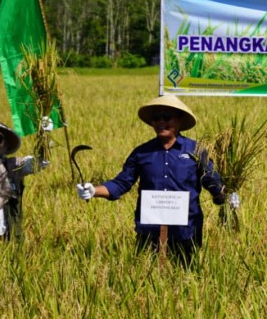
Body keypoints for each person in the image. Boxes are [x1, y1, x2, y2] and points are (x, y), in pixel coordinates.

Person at [75, 95, 237, 267]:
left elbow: (213, 182)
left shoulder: (196, 150)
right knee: (147, 276)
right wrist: (94, 191)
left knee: (187, 278)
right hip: (149, 231)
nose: (161, 122)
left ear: (179, 120)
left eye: (166, 118)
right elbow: (122, 183)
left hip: (187, 230)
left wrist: (228, 196)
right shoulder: (141, 153)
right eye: (156, 118)